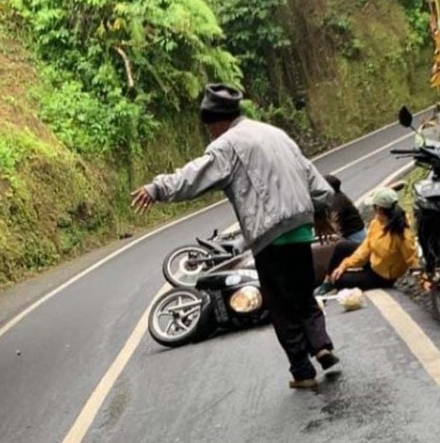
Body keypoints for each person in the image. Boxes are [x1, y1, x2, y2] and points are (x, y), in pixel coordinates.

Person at [131, 84, 338, 390]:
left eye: (210, 128)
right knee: (303, 293)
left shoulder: (227, 145)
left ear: (215, 121)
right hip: (300, 228)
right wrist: (319, 214)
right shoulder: (276, 134)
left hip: (270, 234)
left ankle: (302, 370)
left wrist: (157, 188)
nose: (211, 135)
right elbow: (318, 185)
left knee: (279, 304)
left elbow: (194, 176)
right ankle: (322, 345)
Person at [315, 187, 417, 293]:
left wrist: (424, 279)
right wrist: (344, 265)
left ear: (379, 209)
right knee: (342, 246)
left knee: (338, 280)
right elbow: (364, 250)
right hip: (372, 259)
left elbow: (412, 259)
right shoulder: (376, 223)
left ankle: (333, 281)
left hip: (382, 276)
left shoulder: (402, 234)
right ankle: (327, 281)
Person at [324, 174, 366, 243]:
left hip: (354, 236)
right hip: (357, 232)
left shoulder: (336, 201)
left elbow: (334, 222)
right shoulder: (339, 195)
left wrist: (332, 237)